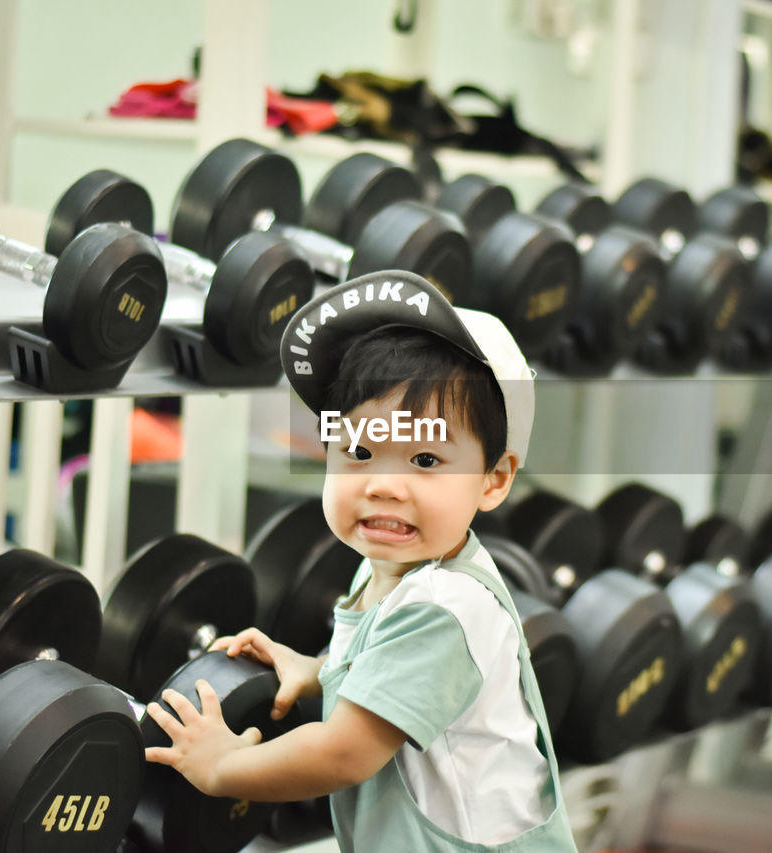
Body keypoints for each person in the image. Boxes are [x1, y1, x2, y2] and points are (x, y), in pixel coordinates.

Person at [144, 271, 578, 852]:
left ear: (493, 480)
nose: (384, 486)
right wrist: (321, 671)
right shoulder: (391, 566)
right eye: (359, 451)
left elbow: (343, 752)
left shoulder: (444, 606)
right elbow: (384, 668)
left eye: (425, 458)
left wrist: (223, 768)